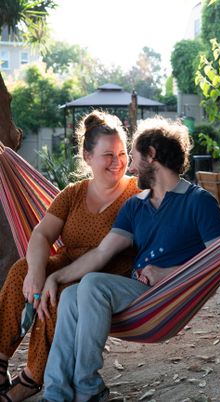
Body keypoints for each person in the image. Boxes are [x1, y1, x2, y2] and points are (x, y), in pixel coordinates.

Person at [39, 117, 220, 402]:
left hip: (170, 295)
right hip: (139, 295)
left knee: (92, 285)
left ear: (151, 155)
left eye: (134, 157)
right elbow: (102, 253)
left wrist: (166, 274)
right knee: (71, 295)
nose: (130, 167)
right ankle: (56, 393)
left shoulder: (199, 202)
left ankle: (88, 387)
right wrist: (56, 276)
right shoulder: (135, 206)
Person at [0, 110, 141, 402]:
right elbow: (40, 235)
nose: (117, 162)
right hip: (66, 261)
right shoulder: (73, 193)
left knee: (60, 293)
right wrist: (37, 272)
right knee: (20, 272)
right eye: (108, 155)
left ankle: (32, 376)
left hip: (103, 276)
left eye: (121, 153)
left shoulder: (136, 194)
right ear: (87, 157)